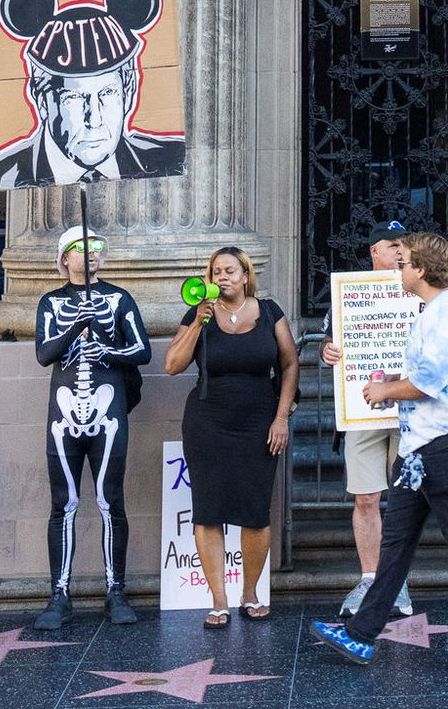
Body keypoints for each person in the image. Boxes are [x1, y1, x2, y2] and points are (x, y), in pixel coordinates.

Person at [311, 232, 448, 669]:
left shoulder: (447, 311)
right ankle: (360, 635)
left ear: (421, 269)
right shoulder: (434, 310)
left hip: (447, 444)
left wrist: (385, 389)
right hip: (418, 447)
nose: (398, 270)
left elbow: (429, 382)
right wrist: (393, 387)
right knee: (397, 544)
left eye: (403, 262)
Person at [165, 245, 298, 625]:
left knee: (255, 510)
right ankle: (218, 600)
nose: (221, 278)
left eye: (229, 271)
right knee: (209, 510)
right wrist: (197, 323)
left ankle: (250, 593)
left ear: (245, 275)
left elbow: (288, 364)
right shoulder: (198, 314)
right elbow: (172, 365)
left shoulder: (270, 312)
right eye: (215, 272)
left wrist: (281, 416)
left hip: (259, 421)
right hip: (208, 423)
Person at [33, 227, 152, 629]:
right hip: (64, 417)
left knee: (109, 500)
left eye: (97, 248)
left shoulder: (119, 299)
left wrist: (105, 344)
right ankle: (59, 595)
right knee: (63, 504)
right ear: (65, 257)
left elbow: (142, 350)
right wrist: (74, 325)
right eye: (82, 248)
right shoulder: (51, 302)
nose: (92, 254)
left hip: (107, 413)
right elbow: (44, 354)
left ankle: (115, 591)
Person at [0, 0, 185, 186]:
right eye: (73, 97)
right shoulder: (4, 176)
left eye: (108, 93)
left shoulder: (167, 160)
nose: (94, 120)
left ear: (128, 92)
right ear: (42, 100)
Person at [319, 218, 416, 619]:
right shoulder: (349, 292)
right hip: (363, 409)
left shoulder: (420, 291)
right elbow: (331, 337)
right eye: (391, 245)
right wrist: (328, 351)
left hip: (411, 408)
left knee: (407, 500)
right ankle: (370, 577)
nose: (398, 251)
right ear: (374, 251)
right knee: (365, 496)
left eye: (403, 245)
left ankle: (398, 582)